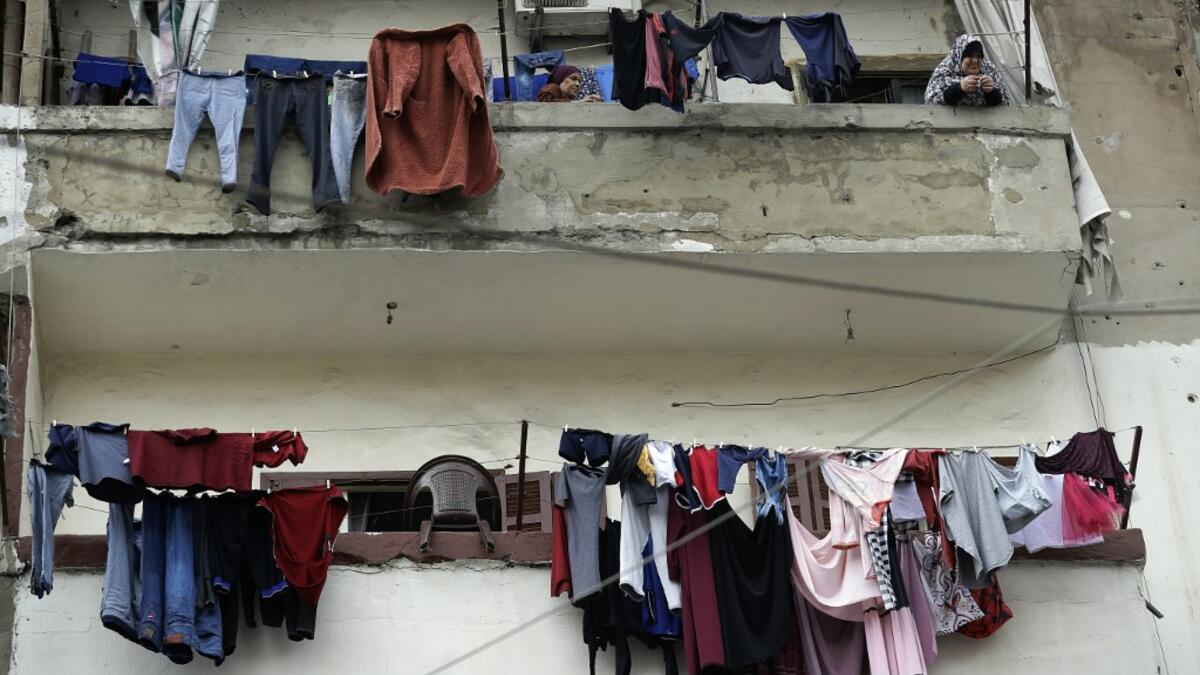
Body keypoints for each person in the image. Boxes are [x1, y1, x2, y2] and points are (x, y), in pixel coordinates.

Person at [924, 34, 1009, 107]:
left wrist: (991, 91)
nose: (975, 60)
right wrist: (959, 88)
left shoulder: (989, 70)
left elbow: (1004, 103)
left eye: (978, 56)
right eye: (969, 56)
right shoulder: (945, 69)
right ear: (959, 57)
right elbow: (931, 100)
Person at [537, 65, 602, 103]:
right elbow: (544, 102)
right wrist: (579, 103)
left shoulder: (568, 99)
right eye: (573, 79)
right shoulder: (553, 87)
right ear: (560, 78)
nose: (578, 84)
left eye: (579, 81)